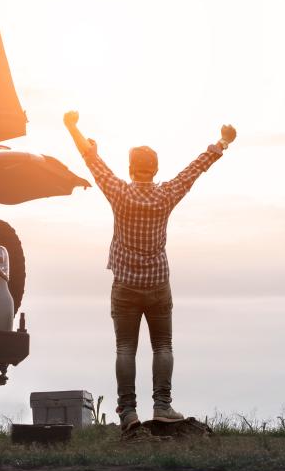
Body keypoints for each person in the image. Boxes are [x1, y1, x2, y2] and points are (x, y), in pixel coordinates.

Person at [63, 110, 236, 431]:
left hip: (125, 284)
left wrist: (72, 127)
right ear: (155, 170)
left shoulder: (119, 191)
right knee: (163, 346)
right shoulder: (167, 193)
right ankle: (162, 406)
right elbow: (196, 169)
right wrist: (222, 142)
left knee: (125, 348)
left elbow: (90, 160)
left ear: (130, 169)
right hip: (158, 283)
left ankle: (128, 413)